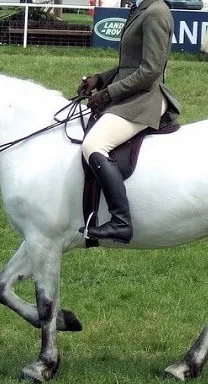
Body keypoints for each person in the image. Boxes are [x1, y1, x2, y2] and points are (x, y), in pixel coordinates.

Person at [77, 0, 180, 244]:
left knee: (93, 145)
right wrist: (100, 80)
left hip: (145, 99)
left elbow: (150, 70)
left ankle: (120, 221)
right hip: (133, 94)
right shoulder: (142, 9)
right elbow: (130, 65)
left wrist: (109, 93)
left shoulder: (155, 12)